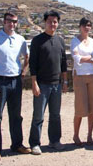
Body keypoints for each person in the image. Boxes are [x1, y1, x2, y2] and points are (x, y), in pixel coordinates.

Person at [0, 12, 31, 162]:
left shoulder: (20, 40)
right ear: (4, 22)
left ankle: (17, 145)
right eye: (9, 21)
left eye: (15, 22)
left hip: (15, 82)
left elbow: (27, 57)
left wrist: (23, 72)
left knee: (16, 116)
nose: (12, 24)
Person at [29, 10, 68, 155]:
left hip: (57, 84)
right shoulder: (37, 40)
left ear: (58, 23)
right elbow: (32, 64)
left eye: (55, 21)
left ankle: (54, 141)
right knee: (38, 116)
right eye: (50, 21)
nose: (53, 24)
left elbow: (64, 63)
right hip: (42, 84)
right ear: (45, 22)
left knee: (55, 115)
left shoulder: (60, 41)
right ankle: (34, 143)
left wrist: (65, 81)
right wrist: (34, 83)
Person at [70, 18, 93, 146]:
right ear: (80, 26)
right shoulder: (74, 41)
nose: (86, 27)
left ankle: (89, 135)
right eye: (84, 25)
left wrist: (84, 59)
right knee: (80, 108)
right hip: (80, 76)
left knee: (92, 108)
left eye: (89, 25)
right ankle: (76, 135)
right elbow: (76, 58)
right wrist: (90, 58)